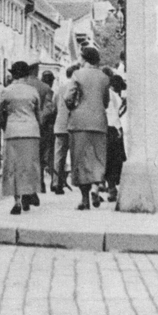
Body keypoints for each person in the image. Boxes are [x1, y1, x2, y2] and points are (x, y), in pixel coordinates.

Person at [66, 45, 110, 210]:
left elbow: (68, 97)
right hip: (99, 121)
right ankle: (96, 188)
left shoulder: (77, 74)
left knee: (80, 160)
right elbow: (105, 101)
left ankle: (84, 199)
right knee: (98, 158)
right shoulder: (104, 77)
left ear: (84, 59)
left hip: (80, 122)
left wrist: (73, 107)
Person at [0, 60, 41, 215]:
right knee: (29, 165)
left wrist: (6, 125)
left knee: (13, 167)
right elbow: (38, 113)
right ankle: (29, 193)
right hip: (31, 131)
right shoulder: (33, 91)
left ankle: (17, 201)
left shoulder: (6, 91)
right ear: (27, 75)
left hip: (13, 131)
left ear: (13, 75)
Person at [24, 57, 52, 201]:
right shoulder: (45, 87)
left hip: (22, 127)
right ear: (36, 70)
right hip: (40, 128)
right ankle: (38, 183)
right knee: (39, 158)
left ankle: (25, 189)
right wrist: (40, 120)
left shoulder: (20, 86)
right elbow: (49, 108)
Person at [52, 63, 79, 194]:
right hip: (75, 125)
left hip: (60, 125)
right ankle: (78, 182)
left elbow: (54, 106)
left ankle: (56, 183)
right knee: (77, 155)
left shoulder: (59, 89)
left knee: (59, 156)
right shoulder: (77, 88)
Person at [105, 72, 127, 203]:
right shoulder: (113, 95)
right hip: (113, 129)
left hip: (105, 128)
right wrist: (119, 128)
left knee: (107, 159)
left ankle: (107, 187)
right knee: (114, 160)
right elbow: (113, 114)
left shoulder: (107, 93)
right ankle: (111, 189)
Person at [39, 71, 57, 192]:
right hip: (48, 126)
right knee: (50, 155)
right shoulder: (49, 92)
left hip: (41, 127)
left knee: (40, 155)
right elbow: (49, 109)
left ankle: (41, 183)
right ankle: (53, 182)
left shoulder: (38, 91)